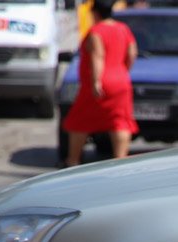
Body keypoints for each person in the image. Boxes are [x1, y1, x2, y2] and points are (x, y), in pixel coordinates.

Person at [61, 0, 138, 166]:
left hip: (100, 82)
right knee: (120, 122)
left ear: (95, 13)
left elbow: (98, 55)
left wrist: (96, 81)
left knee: (80, 121)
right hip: (120, 80)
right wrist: (123, 70)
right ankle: (121, 160)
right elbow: (132, 52)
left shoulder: (96, 31)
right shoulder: (123, 28)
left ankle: (73, 160)